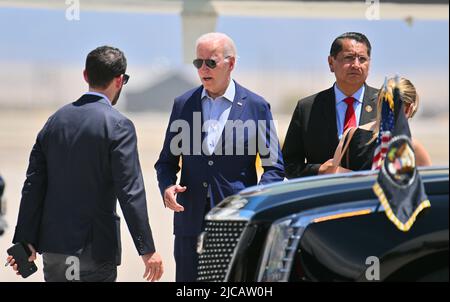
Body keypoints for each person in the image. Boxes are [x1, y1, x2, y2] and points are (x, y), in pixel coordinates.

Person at [6, 46, 163, 282]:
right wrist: (147, 249)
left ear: (86, 76)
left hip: (55, 250)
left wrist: (25, 241)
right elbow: (130, 192)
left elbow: (33, 185)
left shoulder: (54, 121)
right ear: (119, 80)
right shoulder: (119, 126)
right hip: (94, 250)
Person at [155, 32, 285, 282]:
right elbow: (166, 162)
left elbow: (274, 168)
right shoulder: (183, 104)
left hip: (236, 223)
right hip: (189, 223)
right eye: (198, 63)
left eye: (211, 62)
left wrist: (252, 205)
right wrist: (168, 186)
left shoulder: (257, 107)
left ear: (231, 63)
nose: (203, 68)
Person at [282, 32, 378, 178]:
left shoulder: (384, 105)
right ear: (331, 63)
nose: (356, 65)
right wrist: (319, 170)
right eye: (349, 58)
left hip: (369, 196)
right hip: (324, 196)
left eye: (362, 59)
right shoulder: (307, 108)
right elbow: (289, 164)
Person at [329, 77, 432, 172]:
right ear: (410, 108)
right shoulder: (411, 146)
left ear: (379, 102)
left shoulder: (351, 134)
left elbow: (333, 175)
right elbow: (428, 186)